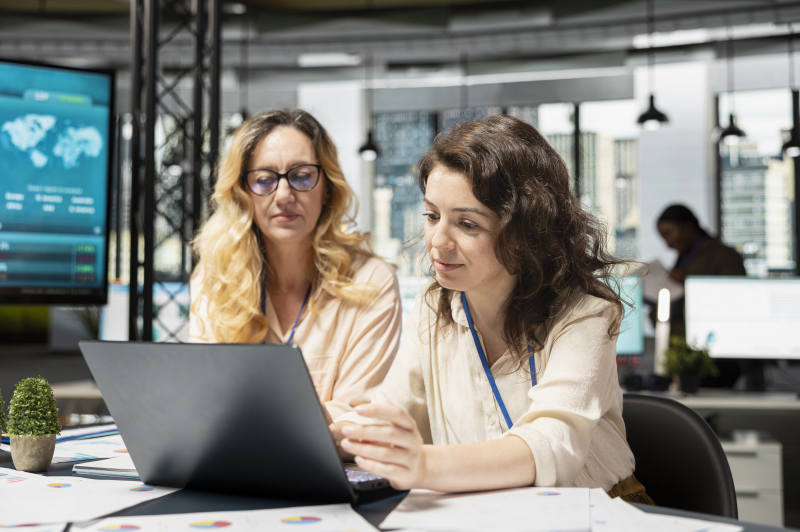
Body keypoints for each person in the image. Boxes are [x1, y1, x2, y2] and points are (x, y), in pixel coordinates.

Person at [327, 115, 652, 503]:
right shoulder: (435, 306)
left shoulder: (585, 316)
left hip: (598, 511)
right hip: (485, 513)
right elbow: (391, 412)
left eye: (467, 224)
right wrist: (331, 432)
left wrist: (424, 464)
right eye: (432, 216)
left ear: (526, 231)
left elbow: (551, 446)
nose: (438, 241)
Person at [190, 109, 402, 419]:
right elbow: (204, 401)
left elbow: (360, 414)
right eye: (264, 180)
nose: (284, 195)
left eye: (302, 176)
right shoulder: (214, 279)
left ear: (327, 187)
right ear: (244, 193)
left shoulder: (371, 281)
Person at [656, 204, 746, 386]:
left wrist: (688, 280)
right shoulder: (685, 256)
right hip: (685, 354)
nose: (668, 243)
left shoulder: (725, 256)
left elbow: (735, 300)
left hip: (714, 354)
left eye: (669, 233)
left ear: (688, 226)